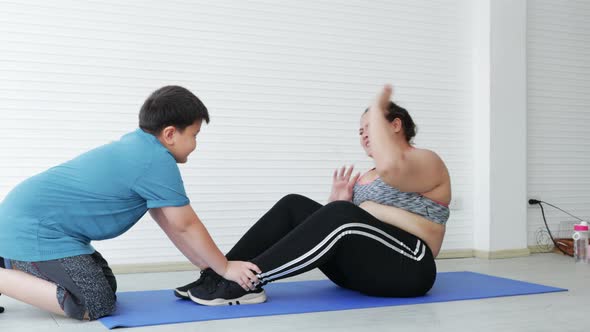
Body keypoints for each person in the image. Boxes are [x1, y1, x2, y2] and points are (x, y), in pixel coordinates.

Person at [0, 86, 261, 320]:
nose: (195, 144)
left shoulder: (142, 147)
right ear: (170, 134)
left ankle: (8, 261)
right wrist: (225, 267)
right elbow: (186, 225)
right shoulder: (155, 160)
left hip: (37, 227)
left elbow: (170, 223)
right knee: (96, 302)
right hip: (32, 231)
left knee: (106, 286)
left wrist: (208, 267)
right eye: (194, 135)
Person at [176, 85, 452, 306]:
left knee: (340, 213)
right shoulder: (367, 174)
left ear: (395, 125)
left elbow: (392, 169)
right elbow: (351, 230)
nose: (364, 135)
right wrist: (339, 203)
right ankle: (218, 274)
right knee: (293, 204)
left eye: (371, 127)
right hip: (362, 273)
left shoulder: (425, 160)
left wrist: (357, 209)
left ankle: (245, 284)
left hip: (411, 269)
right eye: (360, 131)